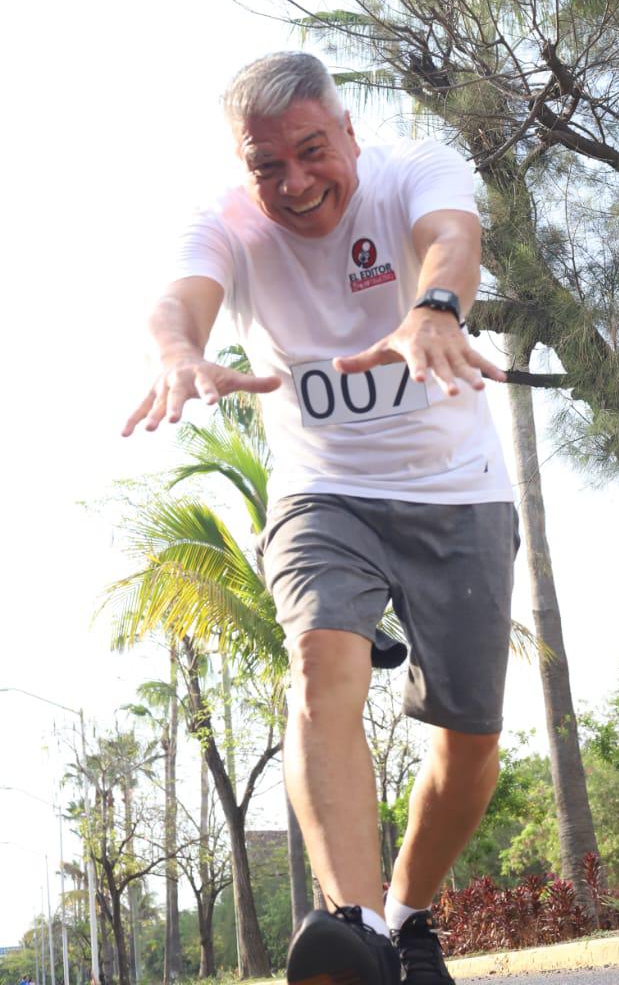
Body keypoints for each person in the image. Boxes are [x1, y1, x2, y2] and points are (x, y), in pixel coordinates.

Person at [123, 52, 518, 985]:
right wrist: (179, 352)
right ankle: (359, 930)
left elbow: (451, 238)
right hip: (321, 488)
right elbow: (177, 299)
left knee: (469, 741)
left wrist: (432, 308)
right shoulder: (228, 222)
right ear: (243, 164)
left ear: (345, 131)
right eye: (268, 166)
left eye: (311, 151)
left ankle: (411, 920)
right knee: (320, 657)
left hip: (455, 488)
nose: (294, 183)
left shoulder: (414, 167)